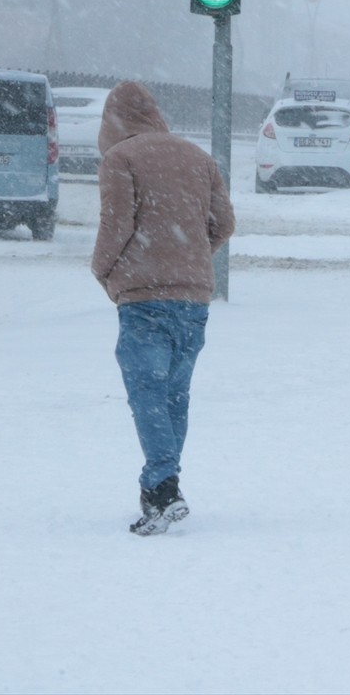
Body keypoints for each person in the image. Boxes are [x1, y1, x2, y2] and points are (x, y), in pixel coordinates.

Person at [91, 81, 235, 535]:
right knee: (174, 395)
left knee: (147, 393)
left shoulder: (121, 158)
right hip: (193, 299)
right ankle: (162, 484)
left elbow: (117, 224)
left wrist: (104, 272)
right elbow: (225, 223)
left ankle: (161, 488)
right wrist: (192, 259)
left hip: (144, 298)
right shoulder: (197, 157)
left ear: (111, 123)